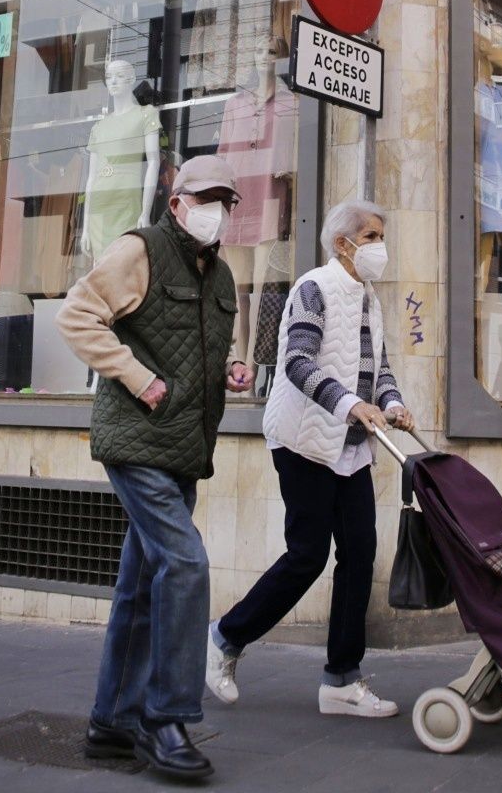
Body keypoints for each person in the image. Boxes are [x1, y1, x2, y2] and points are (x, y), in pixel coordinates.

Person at [58, 154, 255, 781]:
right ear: (176, 202)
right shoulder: (138, 250)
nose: (214, 210)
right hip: (137, 440)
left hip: (184, 449)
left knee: (142, 584)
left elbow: (194, 347)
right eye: (204, 198)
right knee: (185, 562)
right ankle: (164, 719)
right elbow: (76, 316)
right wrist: (141, 381)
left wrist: (229, 370)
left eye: (225, 200)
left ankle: (111, 722)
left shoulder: (221, 276)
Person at [205, 200, 415, 718]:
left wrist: (391, 403)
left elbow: (377, 366)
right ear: (342, 243)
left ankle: (341, 681)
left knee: (360, 553)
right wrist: (351, 404)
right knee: (307, 554)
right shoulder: (313, 288)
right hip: (301, 440)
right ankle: (225, 638)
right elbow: (296, 362)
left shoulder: (370, 299)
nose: (378, 247)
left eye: (379, 236)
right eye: (370, 236)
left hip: (348, 446)